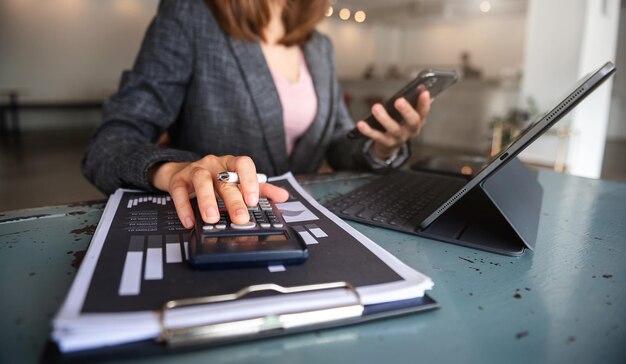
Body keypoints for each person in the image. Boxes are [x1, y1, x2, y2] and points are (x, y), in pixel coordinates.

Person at [82, 0, 432, 229]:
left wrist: (383, 145)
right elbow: (111, 141)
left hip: (308, 224)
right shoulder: (190, 15)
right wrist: (174, 170)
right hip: (216, 224)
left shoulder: (318, 45)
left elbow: (338, 142)